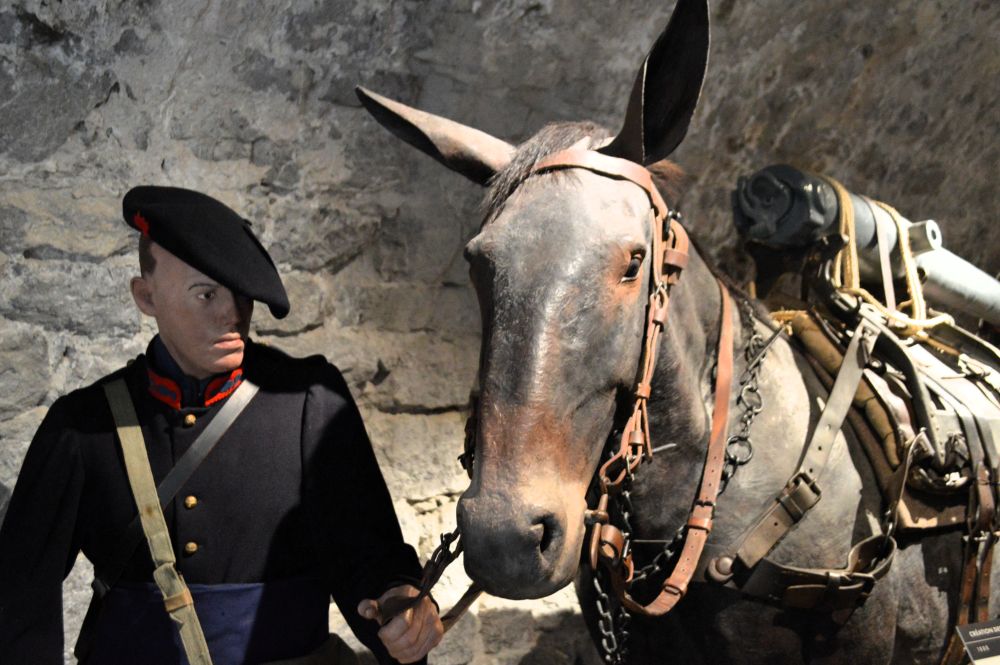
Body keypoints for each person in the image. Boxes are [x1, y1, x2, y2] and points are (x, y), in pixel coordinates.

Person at [0, 186, 443, 664]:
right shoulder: (81, 426)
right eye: (206, 293)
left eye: (239, 293)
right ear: (145, 296)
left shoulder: (308, 400)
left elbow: (368, 555)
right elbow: (19, 603)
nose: (232, 314)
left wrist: (400, 603)